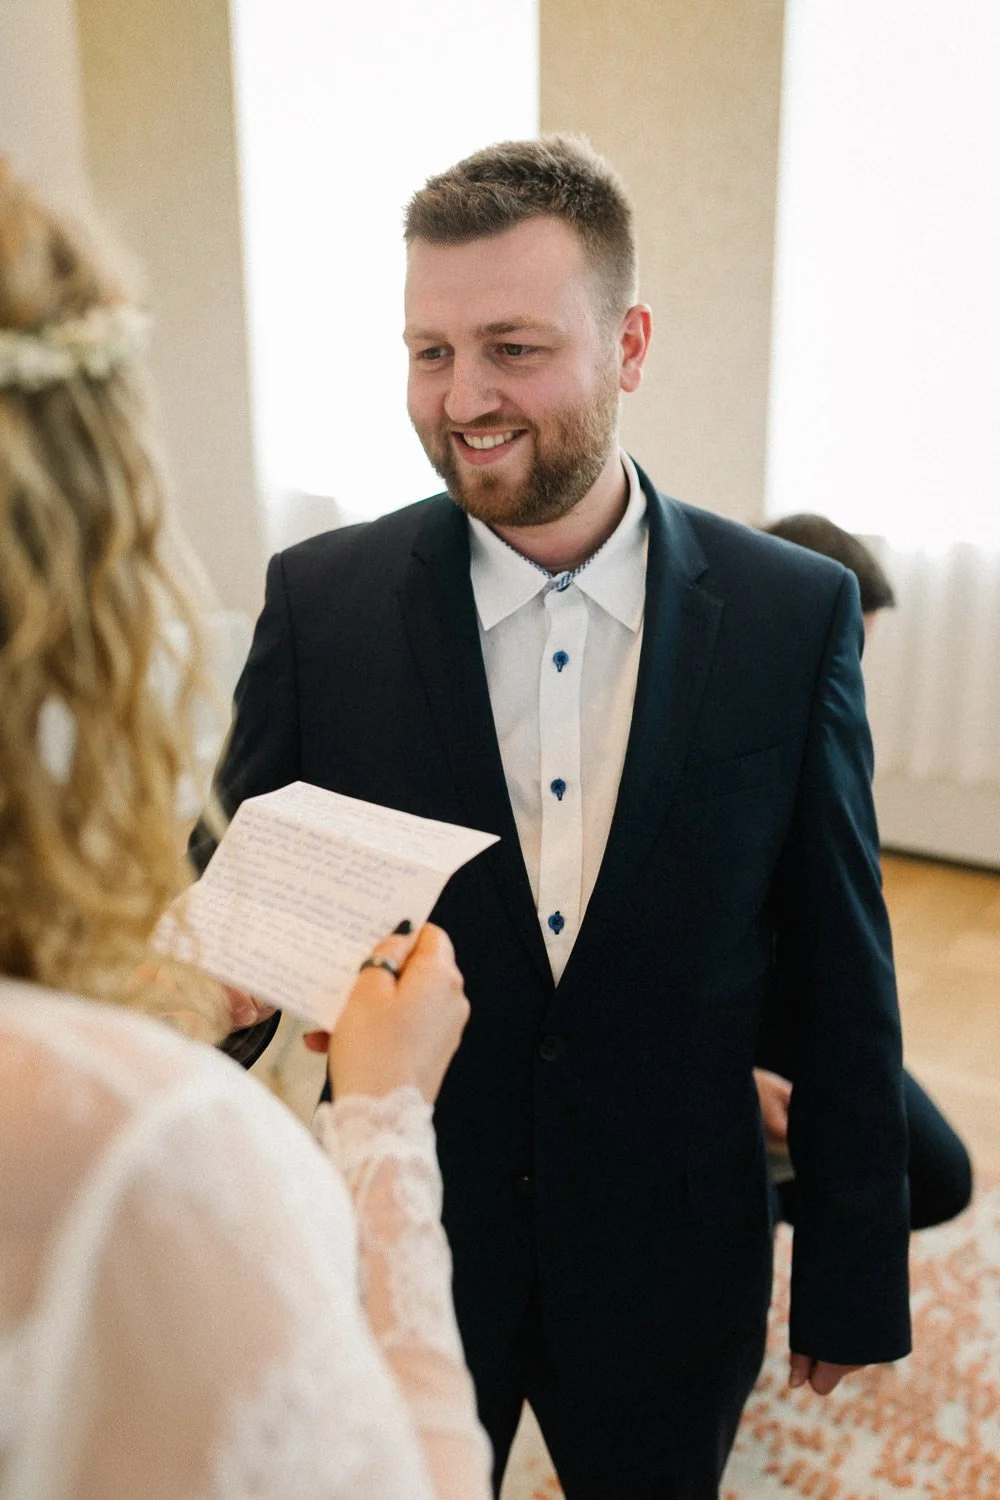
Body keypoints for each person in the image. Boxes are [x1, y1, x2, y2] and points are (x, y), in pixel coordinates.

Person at [196, 136, 912, 1499]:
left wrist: (851, 1270)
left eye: (513, 347)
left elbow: (841, 959)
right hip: (412, 1234)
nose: (463, 399)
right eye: (428, 351)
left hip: (675, 1245)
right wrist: (186, 1029)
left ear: (629, 343)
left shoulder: (786, 615)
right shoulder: (322, 603)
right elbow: (242, 894)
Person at [0, 162, 492, 1500]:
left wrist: (164, 1001)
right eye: (431, 350)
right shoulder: (161, 1164)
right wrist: (384, 1119)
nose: (467, 397)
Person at [754, 514, 973, 1230]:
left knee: (939, 1178)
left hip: (802, 1009)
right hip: (713, 1028)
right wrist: (732, 1082)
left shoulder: (823, 730)